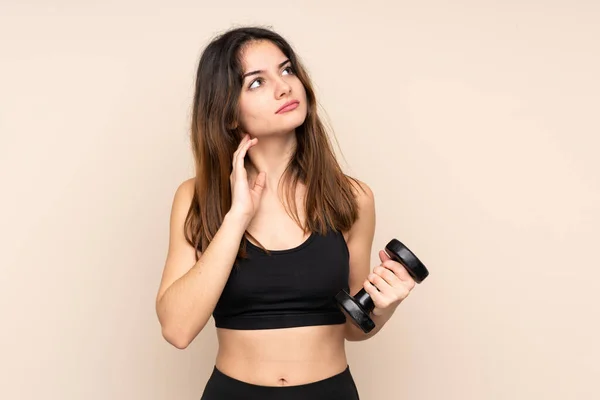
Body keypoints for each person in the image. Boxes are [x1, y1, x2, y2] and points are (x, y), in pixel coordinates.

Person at [155, 26, 417, 400]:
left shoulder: (352, 198)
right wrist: (236, 218)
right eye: (257, 82)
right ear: (227, 112)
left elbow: (355, 328)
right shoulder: (196, 197)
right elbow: (177, 330)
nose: (284, 87)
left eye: (287, 69)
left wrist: (387, 303)